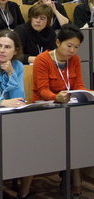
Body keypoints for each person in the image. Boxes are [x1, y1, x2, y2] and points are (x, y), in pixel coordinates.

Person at [32, 23, 89, 198]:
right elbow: (42, 90)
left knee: (80, 132)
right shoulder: (43, 59)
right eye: (69, 45)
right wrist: (56, 97)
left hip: (69, 106)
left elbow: (78, 85)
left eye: (77, 47)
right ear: (58, 42)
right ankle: (72, 175)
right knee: (67, 134)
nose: (72, 50)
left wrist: (85, 94)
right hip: (47, 107)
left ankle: (74, 173)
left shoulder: (75, 60)